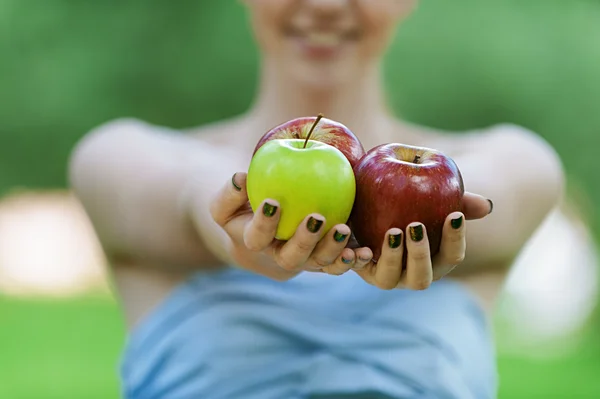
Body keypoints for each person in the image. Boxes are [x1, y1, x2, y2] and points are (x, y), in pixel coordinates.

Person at [69, 1, 564, 398]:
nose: (325, 5)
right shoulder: (125, 155)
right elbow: (185, 192)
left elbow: (490, 190)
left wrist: (428, 201)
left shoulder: (510, 157)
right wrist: (234, 219)